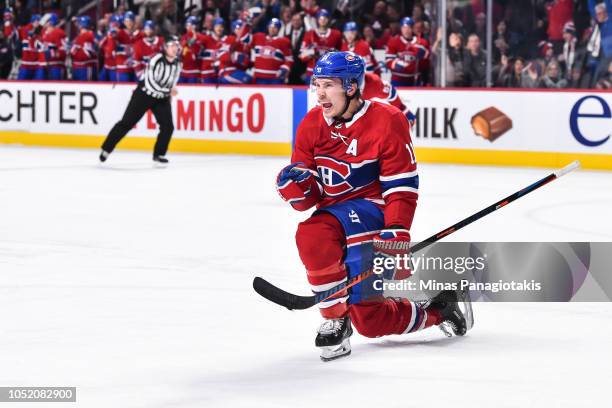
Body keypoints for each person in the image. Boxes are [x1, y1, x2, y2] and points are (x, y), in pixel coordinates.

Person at [275, 51, 472, 361]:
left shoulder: (387, 120)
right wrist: (295, 188)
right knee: (370, 320)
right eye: (317, 85)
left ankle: (335, 316)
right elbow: (308, 198)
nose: (320, 93)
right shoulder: (311, 124)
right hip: (333, 215)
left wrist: (397, 228)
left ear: (352, 87)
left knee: (315, 232)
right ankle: (437, 310)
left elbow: (401, 185)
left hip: (373, 212)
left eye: (328, 85)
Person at [100, 35, 182, 164]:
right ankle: (106, 149)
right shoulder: (156, 59)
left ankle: (159, 154)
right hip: (144, 95)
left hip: (161, 98)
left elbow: (173, 81)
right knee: (126, 123)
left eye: (176, 45)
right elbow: (150, 83)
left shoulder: (178, 64)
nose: (174, 48)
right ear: (165, 47)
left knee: (168, 127)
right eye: (172, 45)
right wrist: (168, 91)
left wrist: (168, 95)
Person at [299, 9, 342, 83]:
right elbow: (301, 55)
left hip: (329, 71)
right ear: (317, 20)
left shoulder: (336, 34)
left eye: (325, 18)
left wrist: (333, 53)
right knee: (311, 94)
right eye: (321, 18)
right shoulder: (309, 34)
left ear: (328, 19)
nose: (323, 20)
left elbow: (341, 52)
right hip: (312, 71)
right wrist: (310, 52)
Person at [385, 17, 429, 86]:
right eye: (404, 27)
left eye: (408, 28)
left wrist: (422, 58)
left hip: (415, 80)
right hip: (397, 80)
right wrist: (396, 65)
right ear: (401, 29)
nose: (406, 30)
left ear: (413, 29)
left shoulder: (422, 43)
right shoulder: (394, 42)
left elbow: (426, 63)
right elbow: (388, 61)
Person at [252, 18, 293, 84]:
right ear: (268, 27)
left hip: (275, 78)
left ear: (279, 29)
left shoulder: (284, 41)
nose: (272, 29)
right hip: (258, 77)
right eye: (271, 26)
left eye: (275, 27)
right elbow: (245, 41)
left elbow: (289, 59)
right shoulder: (258, 37)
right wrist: (246, 25)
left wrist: (285, 68)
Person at [217, 19, 252, 84]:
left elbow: (244, 63)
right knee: (249, 80)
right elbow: (221, 54)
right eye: (238, 28)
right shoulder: (230, 38)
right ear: (233, 30)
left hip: (237, 72)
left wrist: (248, 63)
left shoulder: (244, 44)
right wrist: (236, 56)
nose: (241, 31)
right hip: (227, 72)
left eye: (242, 29)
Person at [36, 12, 66, 80]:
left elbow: (64, 51)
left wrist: (51, 53)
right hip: (42, 65)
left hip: (55, 66)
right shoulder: (43, 32)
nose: (43, 23)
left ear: (50, 22)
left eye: (45, 21)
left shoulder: (59, 32)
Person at [70, 16, 98, 81]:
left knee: (86, 87)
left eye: (78, 22)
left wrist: (76, 49)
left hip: (85, 67)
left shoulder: (89, 35)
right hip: (77, 66)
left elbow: (88, 54)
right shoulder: (80, 35)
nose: (77, 24)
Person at [16, 14, 41, 80]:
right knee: (20, 85)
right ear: (33, 21)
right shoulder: (25, 29)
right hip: (26, 63)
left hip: (36, 64)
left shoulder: (39, 31)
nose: (38, 22)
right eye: (37, 21)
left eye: (39, 21)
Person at [179, 16, 203, 83]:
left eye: (190, 25)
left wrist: (194, 40)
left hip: (194, 71)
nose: (188, 27)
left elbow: (197, 53)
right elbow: (181, 51)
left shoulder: (201, 37)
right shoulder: (184, 37)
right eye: (187, 25)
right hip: (183, 71)